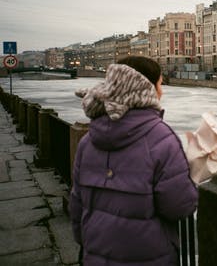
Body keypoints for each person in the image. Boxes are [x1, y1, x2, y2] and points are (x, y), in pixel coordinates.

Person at [70, 56, 198, 266]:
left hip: (96, 254)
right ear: (146, 87)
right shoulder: (161, 138)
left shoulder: (88, 140)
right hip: (149, 256)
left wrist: (89, 245)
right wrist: (190, 177)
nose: (162, 91)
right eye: (160, 83)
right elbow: (179, 207)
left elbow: (76, 203)